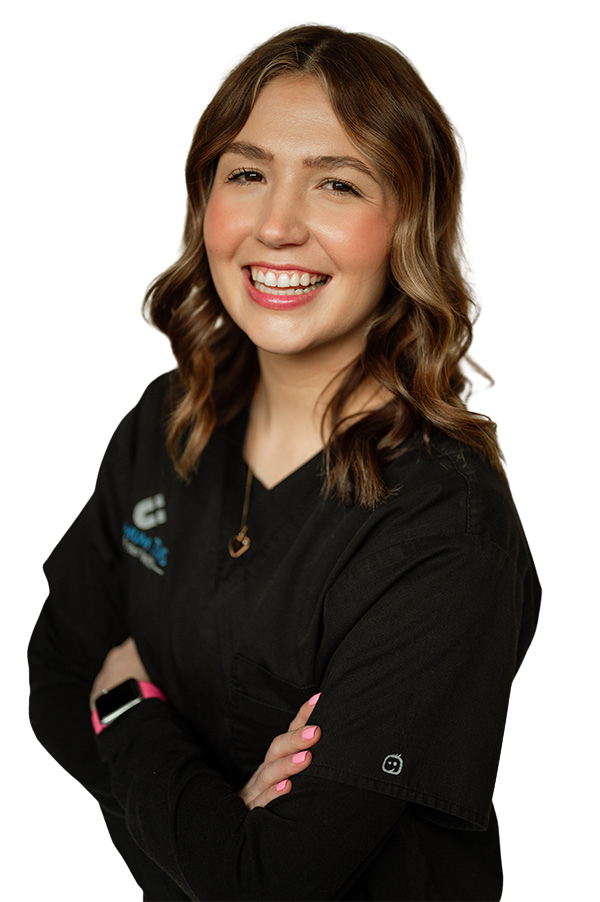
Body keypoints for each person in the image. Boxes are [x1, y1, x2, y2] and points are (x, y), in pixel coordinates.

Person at [28, 22, 541, 901]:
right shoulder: (167, 418)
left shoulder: (446, 529)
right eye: (248, 172)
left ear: (409, 224)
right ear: (205, 201)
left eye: (337, 183)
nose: (276, 226)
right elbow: (52, 681)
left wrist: (127, 709)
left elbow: (271, 882)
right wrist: (216, 819)